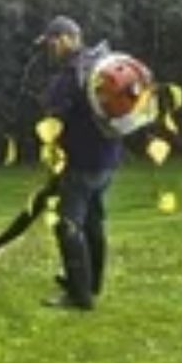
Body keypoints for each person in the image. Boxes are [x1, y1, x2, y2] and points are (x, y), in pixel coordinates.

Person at [30, 15, 128, 311]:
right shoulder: (99, 65)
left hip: (82, 162)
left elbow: (54, 119)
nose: (50, 48)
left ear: (67, 38)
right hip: (108, 160)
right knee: (93, 221)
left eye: (52, 41)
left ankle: (79, 294)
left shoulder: (70, 75)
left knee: (68, 224)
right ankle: (91, 282)